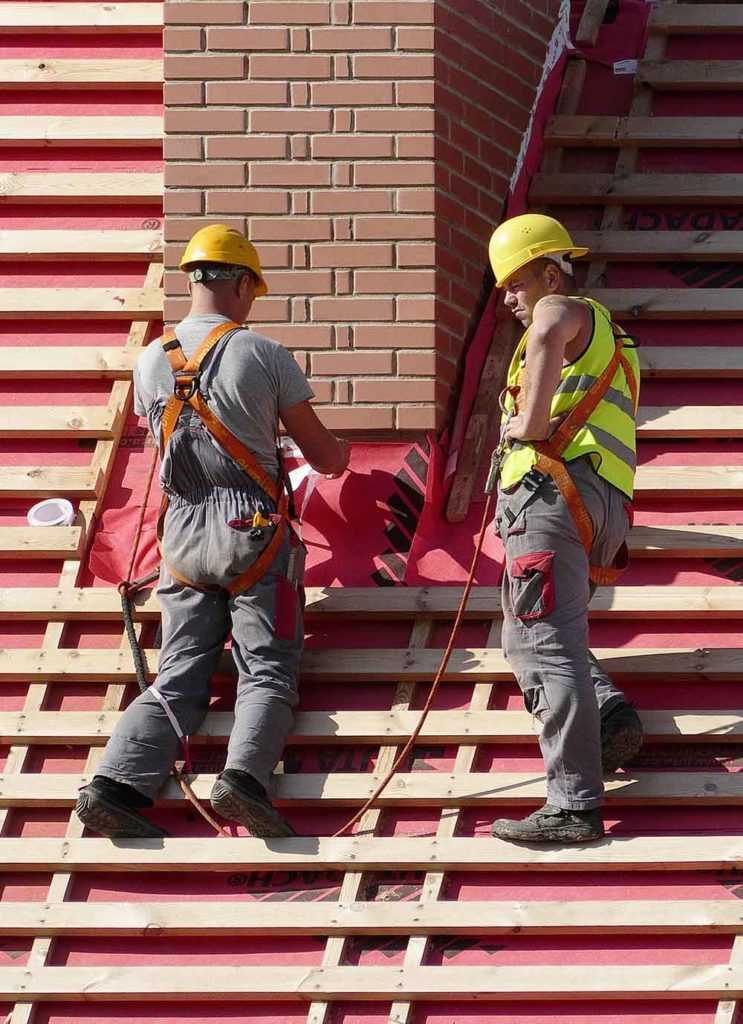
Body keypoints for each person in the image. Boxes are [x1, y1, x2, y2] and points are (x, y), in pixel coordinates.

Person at [76, 224, 349, 840]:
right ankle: (244, 779)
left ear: (195, 278)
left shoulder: (151, 360)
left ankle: (115, 784)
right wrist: (341, 454)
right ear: (243, 283)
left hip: (181, 537)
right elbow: (324, 458)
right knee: (268, 667)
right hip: (249, 529)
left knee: (179, 671)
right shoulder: (261, 354)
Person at [487, 213, 644, 845]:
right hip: (592, 498)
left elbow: (550, 320)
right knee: (530, 638)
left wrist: (526, 422)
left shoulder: (564, 310)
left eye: (517, 285)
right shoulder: (612, 338)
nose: (511, 301)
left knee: (542, 643)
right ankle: (603, 711)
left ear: (551, 272)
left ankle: (574, 804)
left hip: (551, 497)